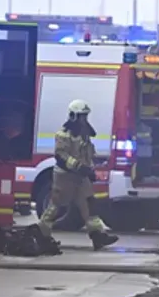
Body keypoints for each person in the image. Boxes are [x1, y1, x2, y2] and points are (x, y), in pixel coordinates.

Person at [37, 99, 118, 252]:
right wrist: (80, 167)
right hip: (65, 176)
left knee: (89, 204)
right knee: (56, 207)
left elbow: (86, 154)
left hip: (81, 177)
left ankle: (98, 235)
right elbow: (61, 155)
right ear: (73, 116)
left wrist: (92, 166)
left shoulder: (84, 135)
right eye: (81, 116)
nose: (84, 120)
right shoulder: (63, 135)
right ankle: (42, 234)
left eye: (85, 116)